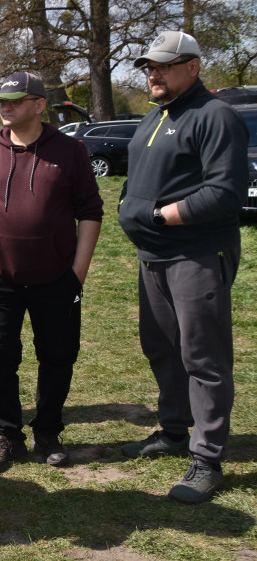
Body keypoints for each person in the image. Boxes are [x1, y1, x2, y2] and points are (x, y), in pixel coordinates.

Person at [118, 30, 248, 504]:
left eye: (163, 66)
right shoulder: (155, 115)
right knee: (161, 346)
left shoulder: (215, 116)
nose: (153, 74)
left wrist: (157, 214)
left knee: (203, 356)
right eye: (149, 67)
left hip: (196, 254)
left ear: (192, 66)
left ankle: (208, 458)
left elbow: (224, 193)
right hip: (152, 256)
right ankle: (174, 429)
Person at [0, 72, 103, 474]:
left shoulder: (70, 151)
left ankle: (48, 433)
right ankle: (8, 436)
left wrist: (78, 272)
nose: (6, 106)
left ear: (39, 105)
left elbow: (90, 211)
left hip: (58, 277)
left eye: (16, 100)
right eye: (2, 101)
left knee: (57, 357)